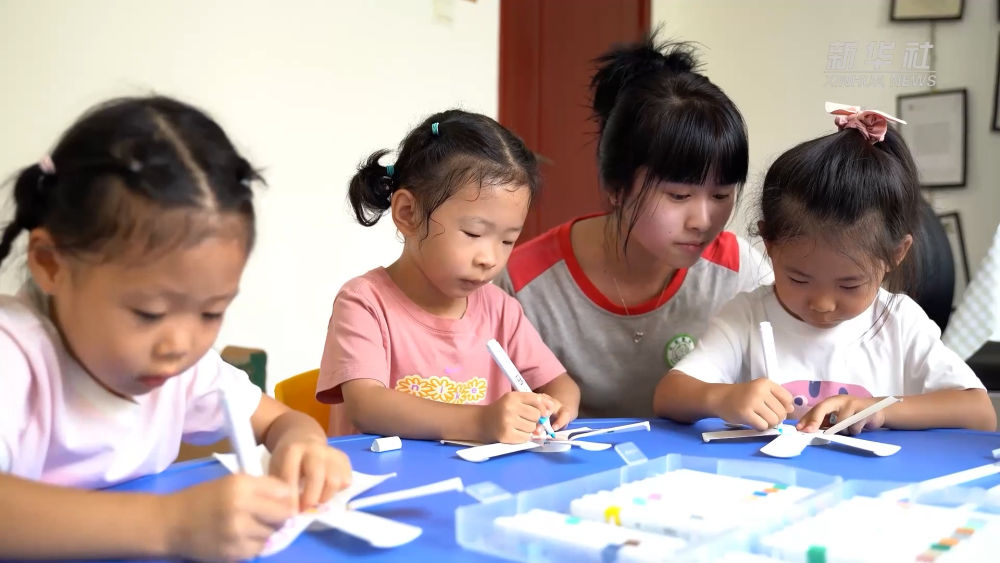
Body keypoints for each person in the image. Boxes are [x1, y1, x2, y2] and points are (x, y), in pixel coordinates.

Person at [0, 96, 351, 561]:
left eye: (211, 313)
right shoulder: (14, 356)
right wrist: (169, 523)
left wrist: (303, 445)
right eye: (148, 312)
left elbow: (280, 420)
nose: (180, 345)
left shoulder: (183, 371)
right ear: (50, 264)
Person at [653, 102, 996, 434]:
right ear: (769, 243)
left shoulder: (899, 323)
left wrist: (879, 410)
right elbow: (668, 395)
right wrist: (721, 398)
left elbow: (980, 414)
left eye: (849, 285)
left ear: (896, 254)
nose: (822, 303)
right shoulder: (747, 317)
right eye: (798, 279)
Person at [497, 36, 769, 417]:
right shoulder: (524, 284)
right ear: (616, 188)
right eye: (679, 195)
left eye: (721, 195)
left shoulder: (740, 271)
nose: (703, 221)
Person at [318, 109, 581, 442]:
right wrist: (481, 422)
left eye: (507, 240)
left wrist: (554, 406)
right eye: (473, 233)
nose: (490, 259)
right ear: (408, 213)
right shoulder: (364, 303)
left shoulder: (501, 310)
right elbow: (366, 406)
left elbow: (561, 384)